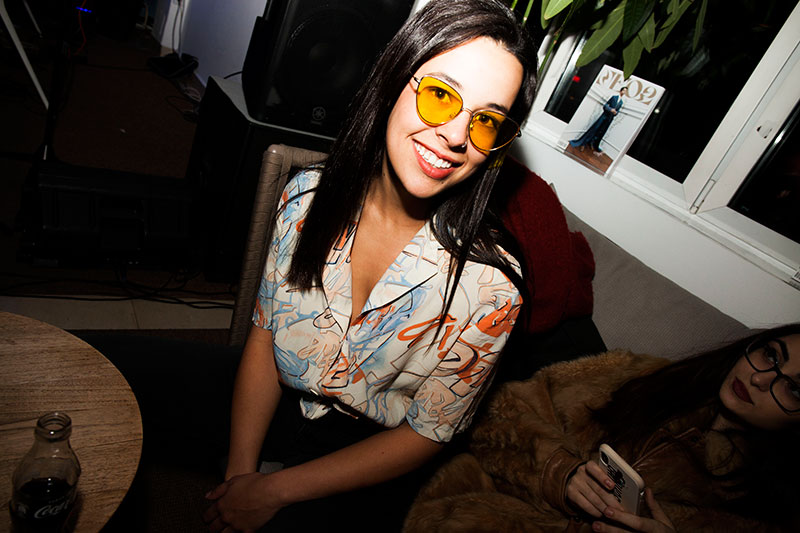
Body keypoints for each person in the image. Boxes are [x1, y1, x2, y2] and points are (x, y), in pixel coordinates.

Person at [202, 1, 538, 531]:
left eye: (487, 121)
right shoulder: (305, 200)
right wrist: (239, 473)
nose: (456, 136)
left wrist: (270, 491)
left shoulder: (494, 288)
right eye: (440, 95)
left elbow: (426, 433)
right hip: (280, 397)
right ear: (392, 80)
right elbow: (265, 339)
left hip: (368, 454)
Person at [403, 324, 800, 532]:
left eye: (794, 389)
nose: (761, 379)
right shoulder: (646, 376)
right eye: (771, 355)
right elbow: (499, 407)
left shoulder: (766, 516)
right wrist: (559, 471)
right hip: (463, 510)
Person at [570, 86, 627, 155]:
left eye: (625, 91)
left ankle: (592, 143)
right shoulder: (614, 97)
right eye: (624, 90)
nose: (624, 92)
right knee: (594, 129)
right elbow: (605, 105)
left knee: (601, 132)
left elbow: (617, 112)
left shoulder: (621, 102)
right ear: (620, 91)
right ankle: (583, 144)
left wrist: (615, 112)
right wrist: (610, 109)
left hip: (609, 119)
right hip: (604, 116)